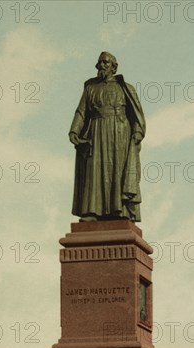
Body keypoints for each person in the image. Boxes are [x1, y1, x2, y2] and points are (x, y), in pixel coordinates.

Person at [69, 52, 146, 222]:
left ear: (113, 66)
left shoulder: (125, 87)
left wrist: (138, 133)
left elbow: (136, 115)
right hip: (96, 131)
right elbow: (81, 112)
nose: (102, 66)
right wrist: (74, 131)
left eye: (106, 62)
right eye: (100, 63)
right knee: (94, 170)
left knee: (117, 170)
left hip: (119, 134)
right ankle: (91, 211)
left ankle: (119, 211)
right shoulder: (90, 88)